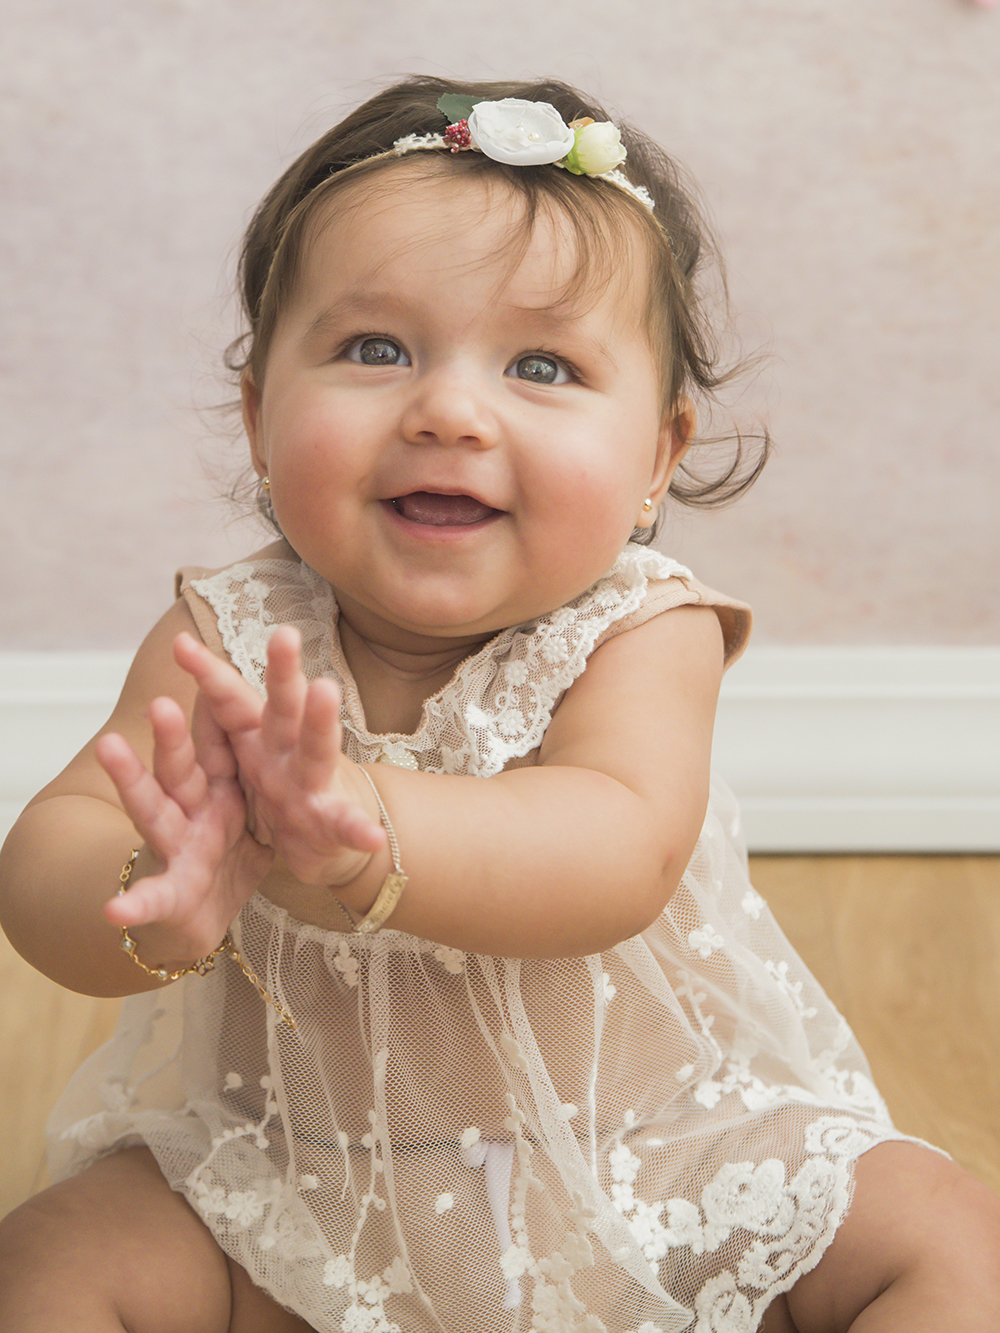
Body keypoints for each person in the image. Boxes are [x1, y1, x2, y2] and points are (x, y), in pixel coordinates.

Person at [0, 75, 996, 1333]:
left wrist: (358, 828)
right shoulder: (230, 637)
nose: (449, 412)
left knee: (950, 1237)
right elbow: (52, 850)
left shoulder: (639, 628)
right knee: (50, 1262)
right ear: (258, 417)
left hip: (654, 1156)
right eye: (375, 349)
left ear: (656, 457)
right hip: (307, 1179)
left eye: (542, 365)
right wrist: (159, 887)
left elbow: (616, 849)